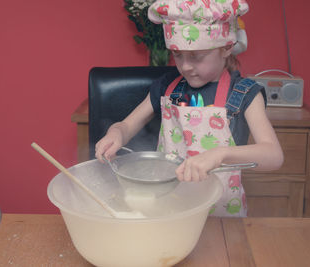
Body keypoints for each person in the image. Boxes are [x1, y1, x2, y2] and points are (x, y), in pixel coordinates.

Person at [95, 0, 283, 217]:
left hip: (221, 218)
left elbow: (274, 155)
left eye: (196, 56)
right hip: (170, 210)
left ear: (226, 47)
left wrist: (220, 154)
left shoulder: (244, 93)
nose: (185, 66)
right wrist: (116, 133)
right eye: (178, 55)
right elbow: (127, 125)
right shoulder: (167, 87)